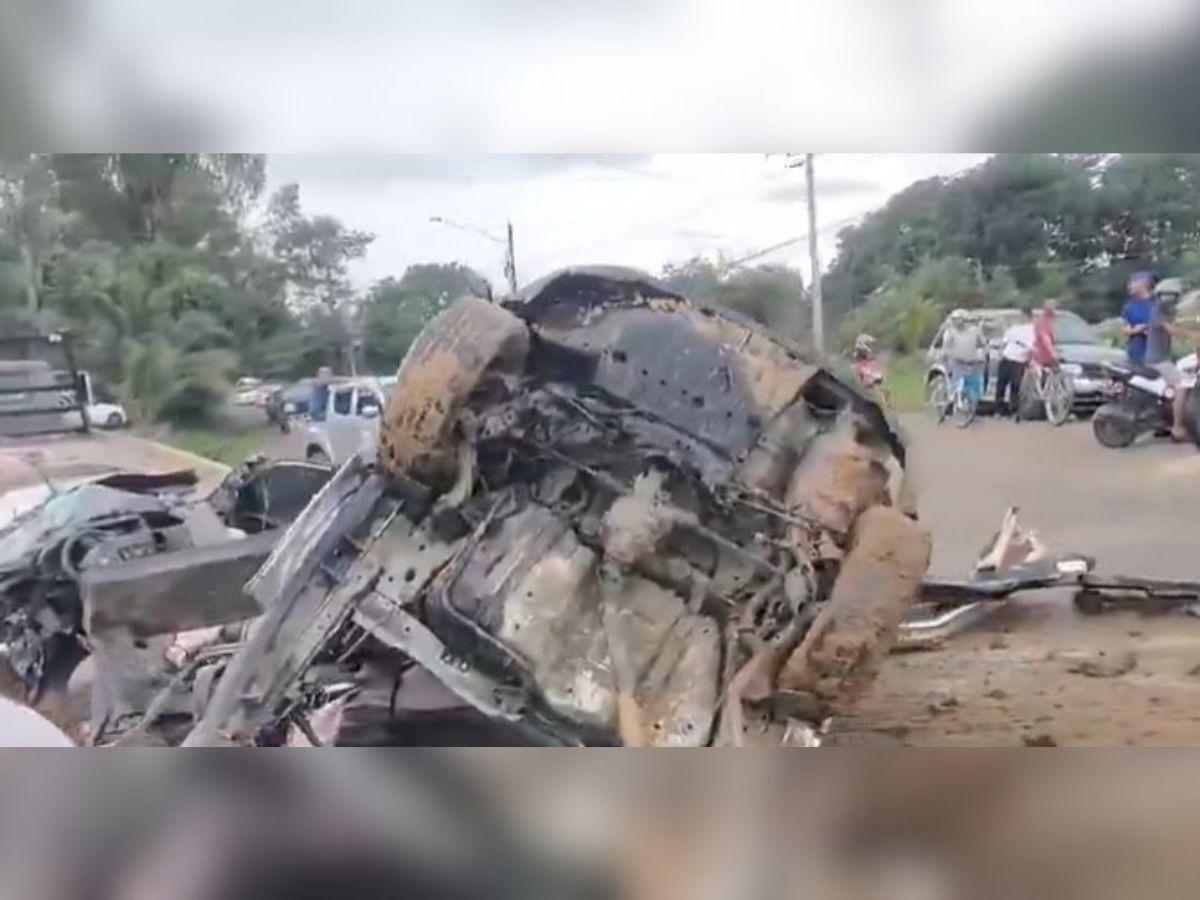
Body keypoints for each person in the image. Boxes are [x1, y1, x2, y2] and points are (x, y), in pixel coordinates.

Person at [1143, 291, 1188, 441]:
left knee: (1169, 392)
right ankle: (1177, 428)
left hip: (1162, 359)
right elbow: (1171, 330)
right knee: (1181, 386)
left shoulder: (1165, 311)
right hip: (1158, 360)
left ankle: (1164, 423)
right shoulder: (1157, 311)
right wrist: (1194, 335)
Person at [996, 308, 1033, 418]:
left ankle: (1014, 409)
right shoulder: (1013, 328)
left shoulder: (1033, 330)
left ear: (1029, 317)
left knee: (1015, 385)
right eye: (1021, 316)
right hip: (1007, 357)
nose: (1022, 318)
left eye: (1024, 316)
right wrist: (1001, 353)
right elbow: (1004, 342)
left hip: (1020, 359)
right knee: (1001, 384)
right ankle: (1000, 409)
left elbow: (1033, 346)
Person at [943, 309, 984, 401]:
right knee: (956, 377)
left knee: (971, 379)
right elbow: (946, 345)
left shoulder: (974, 331)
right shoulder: (951, 332)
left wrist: (981, 355)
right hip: (956, 360)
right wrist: (946, 353)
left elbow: (981, 344)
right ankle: (952, 396)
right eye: (954, 320)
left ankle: (970, 399)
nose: (956, 322)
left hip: (971, 360)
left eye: (958, 319)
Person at [1122, 271, 1155, 366]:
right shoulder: (1128, 306)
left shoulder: (1156, 305)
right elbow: (1126, 329)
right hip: (1134, 353)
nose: (1129, 286)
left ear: (1144, 285)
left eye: (1133, 283)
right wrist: (1136, 330)